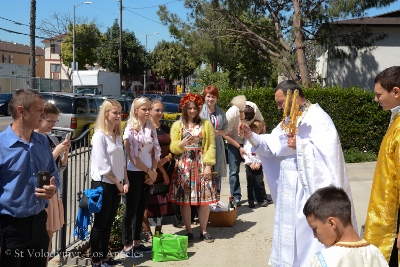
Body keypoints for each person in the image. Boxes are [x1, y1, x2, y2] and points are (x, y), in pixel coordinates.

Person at [239, 80, 357, 267]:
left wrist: (300, 145)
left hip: (307, 189)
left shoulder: (317, 117)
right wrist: (250, 136)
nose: (278, 108)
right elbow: (273, 144)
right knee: (291, 235)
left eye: (280, 103)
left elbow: (329, 152)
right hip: (288, 190)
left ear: (293, 96)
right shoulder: (289, 118)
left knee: (307, 234)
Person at [0, 89, 59, 267]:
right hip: (9, 230)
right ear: (21, 111)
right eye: (39, 110)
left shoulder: (42, 142)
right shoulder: (2, 145)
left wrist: (52, 189)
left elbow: (53, 174)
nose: (43, 114)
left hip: (39, 223)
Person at [364, 66, 400, 266]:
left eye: (379, 94)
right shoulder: (396, 120)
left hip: (394, 221)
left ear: (396, 92)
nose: (376, 99)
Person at [169, 93, 217, 243]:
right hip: (184, 165)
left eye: (194, 108)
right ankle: (189, 230)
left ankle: (203, 231)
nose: (192, 111)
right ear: (184, 109)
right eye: (189, 108)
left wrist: (208, 165)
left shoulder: (206, 124)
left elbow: (210, 146)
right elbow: (173, 147)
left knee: (205, 198)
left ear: (199, 108)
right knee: (185, 199)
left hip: (201, 163)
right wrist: (180, 145)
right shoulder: (178, 125)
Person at [303, 186, 387, 267]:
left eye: (314, 229)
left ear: (332, 223)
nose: (314, 235)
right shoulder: (376, 254)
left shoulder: (323, 259)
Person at [90, 99, 129, 267]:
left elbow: (121, 162)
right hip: (103, 184)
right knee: (100, 224)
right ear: (106, 114)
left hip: (115, 184)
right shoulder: (100, 135)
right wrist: (118, 183)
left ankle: (105, 257)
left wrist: (125, 180)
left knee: (108, 222)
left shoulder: (116, 135)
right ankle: (96, 260)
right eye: (115, 112)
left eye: (119, 113)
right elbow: (103, 166)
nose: (118, 116)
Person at [122, 97, 161, 257]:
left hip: (148, 173)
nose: (146, 112)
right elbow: (132, 156)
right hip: (134, 172)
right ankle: (126, 246)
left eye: (148, 109)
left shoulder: (150, 127)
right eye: (143, 109)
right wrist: (148, 171)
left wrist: (153, 170)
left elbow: (155, 151)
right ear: (136, 110)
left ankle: (137, 243)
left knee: (141, 210)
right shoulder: (129, 128)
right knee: (131, 210)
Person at [34, 102, 71, 266]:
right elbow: (41, 169)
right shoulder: (34, 140)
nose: (52, 125)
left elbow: (59, 169)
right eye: (49, 121)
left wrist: (65, 154)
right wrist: (56, 152)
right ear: (41, 118)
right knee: (39, 235)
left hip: (54, 191)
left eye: (55, 122)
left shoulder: (52, 138)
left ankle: (45, 262)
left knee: (49, 234)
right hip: (42, 194)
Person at [142, 99, 177, 242]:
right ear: (149, 111)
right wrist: (161, 169)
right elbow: (149, 153)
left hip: (166, 170)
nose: (160, 113)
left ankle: (158, 231)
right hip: (151, 170)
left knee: (162, 201)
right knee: (148, 202)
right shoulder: (146, 129)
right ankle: (147, 233)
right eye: (157, 110)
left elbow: (173, 148)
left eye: (162, 110)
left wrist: (168, 158)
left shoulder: (166, 128)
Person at [225, 100, 264, 205]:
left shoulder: (254, 107)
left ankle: (257, 195)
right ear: (240, 114)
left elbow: (261, 123)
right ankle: (235, 196)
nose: (247, 125)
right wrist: (239, 147)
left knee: (256, 168)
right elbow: (225, 134)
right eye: (245, 121)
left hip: (251, 141)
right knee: (234, 171)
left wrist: (261, 141)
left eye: (249, 122)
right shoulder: (230, 114)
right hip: (234, 142)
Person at [200, 85, 229, 200]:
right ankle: (203, 205)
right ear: (204, 97)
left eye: (213, 97)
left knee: (216, 174)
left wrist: (218, 132)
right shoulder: (199, 111)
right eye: (208, 96)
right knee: (204, 174)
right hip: (203, 146)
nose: (210, 99)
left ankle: (215, 203)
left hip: (217, 145)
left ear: (217, 98)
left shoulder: (221, 112)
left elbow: (227, 129)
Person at [242, 120, 272, 208]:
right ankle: (250, 200)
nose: (255, 131)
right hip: (249, 165)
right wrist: (250, 163)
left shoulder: (261, 140)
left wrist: (259, 163)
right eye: (253, 129)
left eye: (257, 129)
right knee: (250, 183)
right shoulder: (247, 140)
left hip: (258, 164)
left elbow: (263, 153)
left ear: (260, 130)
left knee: (260, 183)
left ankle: (263, 199)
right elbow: (245, 153)